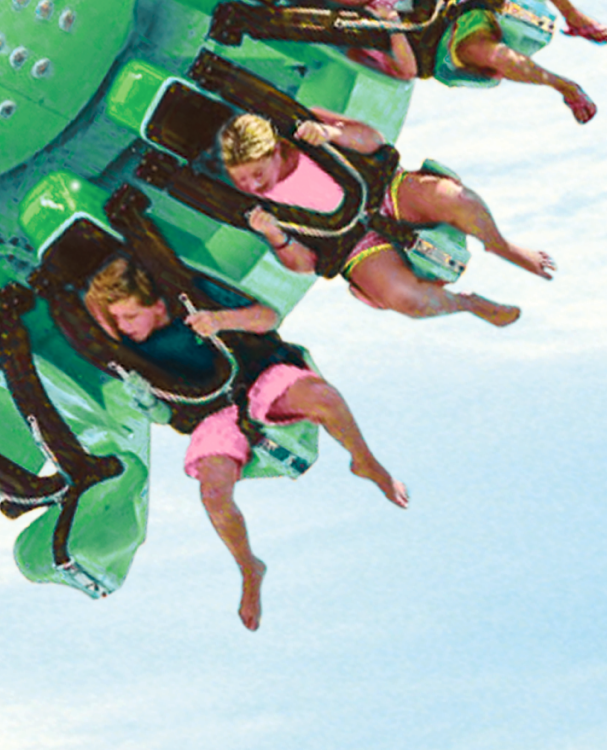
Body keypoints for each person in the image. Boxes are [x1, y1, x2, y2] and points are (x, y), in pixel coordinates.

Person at [83, 254, 405, 629]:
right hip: (212, 416)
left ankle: (366, 461)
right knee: (214, 496)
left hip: (258, 377)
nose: (124, 328)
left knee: (324, 399)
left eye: (129, 317)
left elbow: (268, 317)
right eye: (118, 320)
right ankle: (249, 567)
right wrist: (149, 404)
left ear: (156, 305)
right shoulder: (133, 348)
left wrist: (220, 321)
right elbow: (162, 408)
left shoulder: (193, 297)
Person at [215, 110, 549, 324]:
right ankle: (468, 304)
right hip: (352, 244)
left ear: (275, 151)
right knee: (407, 299)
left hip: (386, 191)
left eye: (257, 174)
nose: (252, 185)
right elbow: (304, 264)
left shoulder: (299, 132)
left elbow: (372, 140)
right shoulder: (253, 202)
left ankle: (501, 245)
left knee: (453, 199)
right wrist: (277, 237)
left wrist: (331, 133)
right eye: (241, 179)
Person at [301, 0, 607, 122]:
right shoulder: (363, 24)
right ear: (333, 0)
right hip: (447, 38)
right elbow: (407, 70)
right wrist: (394, 29)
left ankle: (575, 17)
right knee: (487, 53)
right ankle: (565, 87)